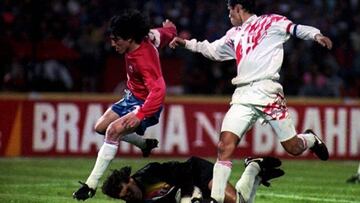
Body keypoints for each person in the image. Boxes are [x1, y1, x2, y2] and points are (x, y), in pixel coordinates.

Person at [169, 0, 333, 202]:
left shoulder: (271, 22)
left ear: (238, 8)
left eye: (229, 10)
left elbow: (297, 28)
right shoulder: (235, 34)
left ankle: (310, 139)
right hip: (243, 94)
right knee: (224, 146)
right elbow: (212, 50)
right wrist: (187, 44)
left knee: (294, 148)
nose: (228, 15)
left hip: (268, 92)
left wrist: (316, 34)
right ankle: (216, 199)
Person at [73, 9, 177, 200]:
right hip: (131, 97)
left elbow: (159, 90)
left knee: (113, 131)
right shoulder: (146, 37)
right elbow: (162, 34)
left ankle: (90, 185)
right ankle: (143, 144)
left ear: (130, 38)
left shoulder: (144, 60)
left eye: (116, 39)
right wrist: (170, 30)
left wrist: (141, 114)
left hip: (145, 104)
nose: (113, 44)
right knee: (100, 127)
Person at [101, 156, 284, 203]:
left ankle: (253, 168)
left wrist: (195, 196)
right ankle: (254, 169)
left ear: (130, 180)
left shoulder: (151, 172)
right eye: (123, 198)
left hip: (197, 173)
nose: (129, 197)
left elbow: (184, 173)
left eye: (128, 192)